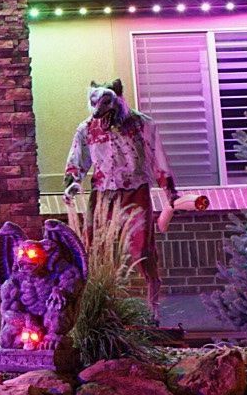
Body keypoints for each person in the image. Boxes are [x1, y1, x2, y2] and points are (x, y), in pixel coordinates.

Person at [63, 79, 177, 317]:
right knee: (93, 246)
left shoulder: (141, 125)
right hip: (103, 191)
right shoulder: (87, 128)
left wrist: (170, 191)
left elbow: (158, 160)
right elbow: (78, 159)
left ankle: (153, 306)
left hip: (134, 190)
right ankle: (98, 309)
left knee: (141, 247)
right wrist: (72, 183)